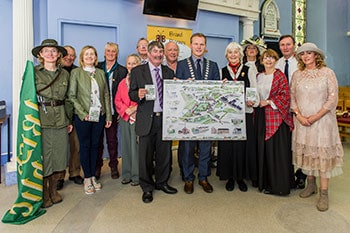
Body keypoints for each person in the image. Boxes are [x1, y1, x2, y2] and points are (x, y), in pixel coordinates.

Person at [291, 42, 344, 211]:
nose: (305, 56)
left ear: (316, 56)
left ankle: (324, 193)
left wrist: (315, 116)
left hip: (322, 122)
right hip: (302, 122)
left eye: (309, 53)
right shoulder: (297, 74)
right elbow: (292, 97)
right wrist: (299, 115)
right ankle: (311, 184)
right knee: (308, 153)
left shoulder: (327, 73)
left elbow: (332, 98)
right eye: (302, 54)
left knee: (321, 156)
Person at [129, 40, 178, 203]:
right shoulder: (137, 71)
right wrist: (139, 94)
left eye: (160, 51)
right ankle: (147, 188)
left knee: (165, 154)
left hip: (165, 119)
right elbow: (131, 93)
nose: (158, 54)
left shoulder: (168, 72)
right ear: (149, 54)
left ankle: (162, 182)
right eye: (155, 51)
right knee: (145, 157)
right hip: (146, 119)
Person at [175, 33, 220, 194]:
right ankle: (188, 178)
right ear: (191, 45)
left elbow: (216, 92)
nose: (199, 47)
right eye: (196, 44)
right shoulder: (181, 65)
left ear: (205, 46)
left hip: (207, 115)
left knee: (205, 147)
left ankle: (203, 177)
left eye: (202, 44)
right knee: (187, 148)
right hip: (189, 115)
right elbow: (178, 90)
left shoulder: (213, 66)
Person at [31, 39, 73, 208]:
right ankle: (44, 192)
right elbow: (30, 96)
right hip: (43, 119)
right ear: (40, 54)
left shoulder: (64, 74)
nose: (50, 54)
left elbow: (68, 99)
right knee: (46, 157)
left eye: (54, 51)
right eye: (47, 51)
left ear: (59, 55)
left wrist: (69, 119)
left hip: (61, 119)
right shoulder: (34, 73)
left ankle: (54, 190)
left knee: (60, 157)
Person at [68, 45, 112, 195]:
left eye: (92, 54)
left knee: (95, 146)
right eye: (86, 54)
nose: (89, 56)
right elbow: (72, 96)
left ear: (96, 57)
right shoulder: (76, 73)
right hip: (84, 117)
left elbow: (106, 95)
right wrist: (82, 113)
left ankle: (93, 176)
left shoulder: (100, 73)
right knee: (85, 146)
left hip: (99, 116)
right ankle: (87, 177)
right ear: (82, 57)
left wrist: (108, 115)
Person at [216, 42, 259, 192]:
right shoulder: (222, 72)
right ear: (226, 55)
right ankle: (229, 177)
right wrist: (221, 87)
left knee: (242, 147)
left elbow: (254, 89)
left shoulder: (249, 70)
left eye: (236, 52)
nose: (233, 55)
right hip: (227, 116)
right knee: (228, 146)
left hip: (244, 114)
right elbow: (217, 96)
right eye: (230, 53)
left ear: (241, 55)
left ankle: (240, 177)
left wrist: (252, 100)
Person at [255, 48, 294, 196]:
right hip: (261, 117)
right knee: (264, 150)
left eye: (272, 57)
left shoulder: (280, 76)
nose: (269, 60)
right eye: (266, 57)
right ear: (262, 60)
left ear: (276, 60)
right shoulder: (259, 76)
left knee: (275, 152)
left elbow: (285, 96)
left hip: (276, 118)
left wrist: (269, 102)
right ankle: (265, 182)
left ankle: (279, 185)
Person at [275, 35, 307, 189]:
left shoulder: (301, 64)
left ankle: (301, 175)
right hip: (282, 109)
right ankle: (287, 172)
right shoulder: (278, 63)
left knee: (301, 142)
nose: (285, 47)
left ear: (294, 45)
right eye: (282, 45)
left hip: (299, 108)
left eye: (288, 44)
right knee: (288, 142)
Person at [96, 42, 128, 180]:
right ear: (104, 53)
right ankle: (97, 168)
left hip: (114, 111)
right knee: (97, 141)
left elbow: (124, 93)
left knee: (112, 140)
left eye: (113, 51)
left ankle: (113, 166)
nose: (110, 53)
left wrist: (121, 111)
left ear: (117, 53)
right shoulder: (97, 68)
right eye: (108, 51)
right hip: (98, 111)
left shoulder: (122, 71)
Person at [56, 45, 83, 190]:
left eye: (72, 55)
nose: (69, 57)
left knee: (76, 146)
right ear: (61, 55)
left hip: (75, 113)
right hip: (59, 114)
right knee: (60, 148)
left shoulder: (78, 71)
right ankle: (59, 176)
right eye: (67, 54)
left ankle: (74, 173)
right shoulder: (55, 70)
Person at [115, 54, 141, 186]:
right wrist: (127, 110)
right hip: (125, 118)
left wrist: (135, 109)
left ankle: (137, 175)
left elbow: (147, 98)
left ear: (139, 65)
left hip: (138, 118)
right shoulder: (121, 83)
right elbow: (117, 100)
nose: (131, 66)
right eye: (129, 64)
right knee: (126, 146)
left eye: (134, 63)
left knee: (136, 147)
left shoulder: (143, 81)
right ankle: (126, 174)